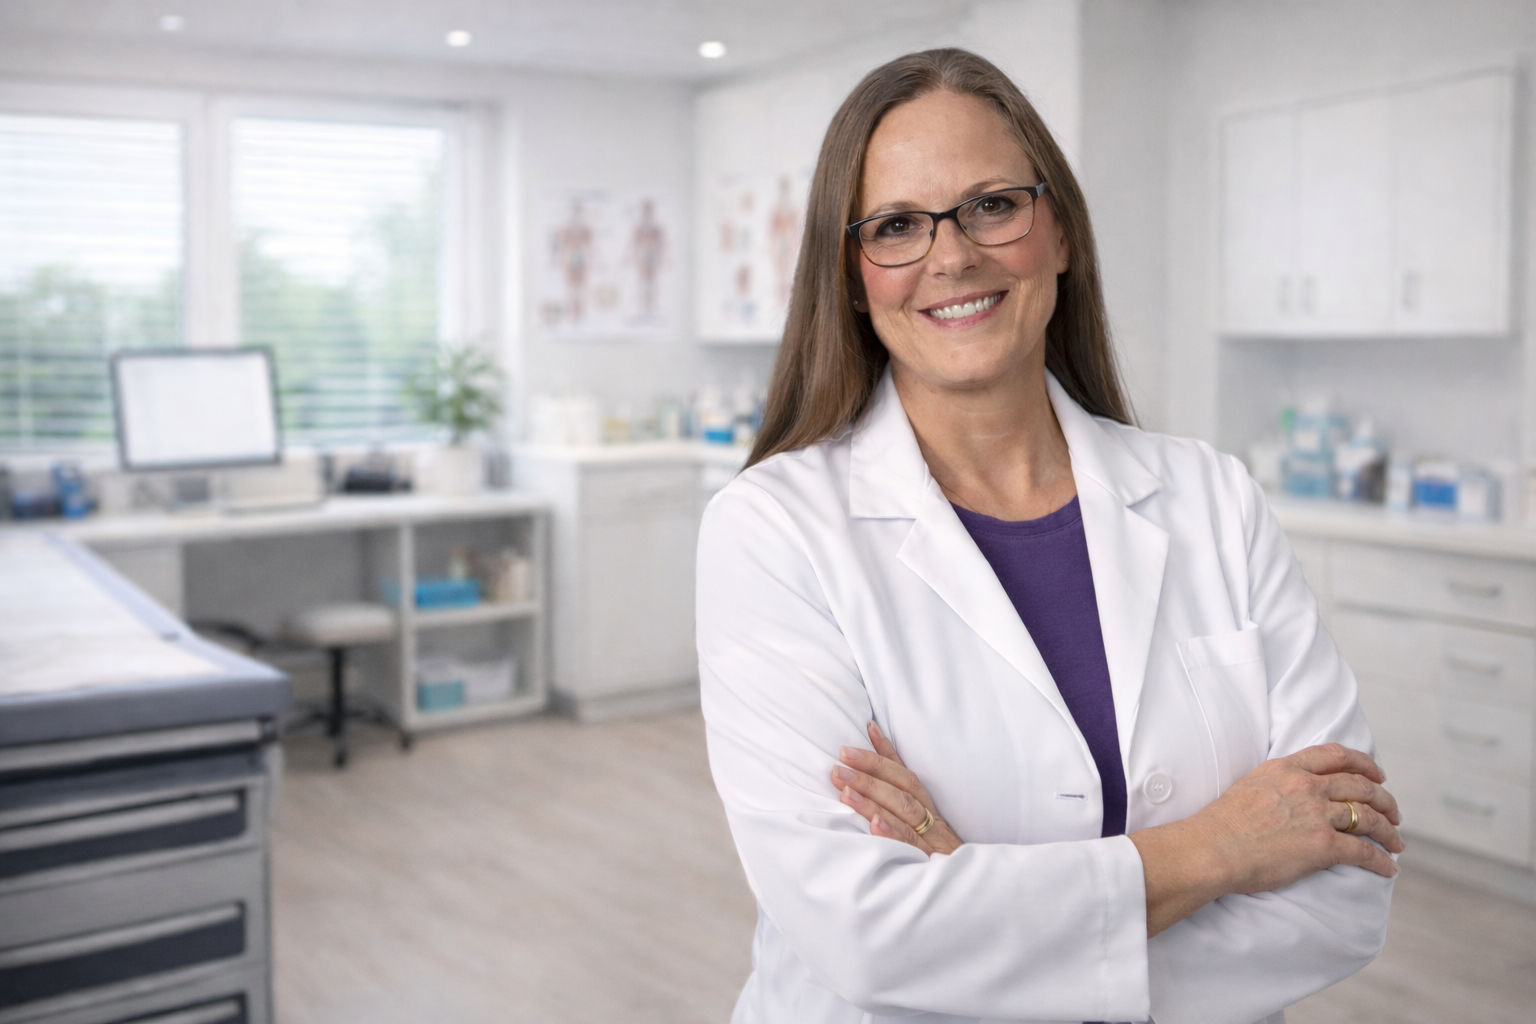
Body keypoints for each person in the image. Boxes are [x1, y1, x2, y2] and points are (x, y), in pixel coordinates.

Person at [696, 48, 1402, 1024]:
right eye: (897, 225)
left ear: (1058, 231)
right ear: (852, 276)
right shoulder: (773, 531)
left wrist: (985, 900)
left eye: (992, 205)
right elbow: (866, 934)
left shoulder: (1215, 501)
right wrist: (1220, 849)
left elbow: (1345, 892)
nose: (952, 255)